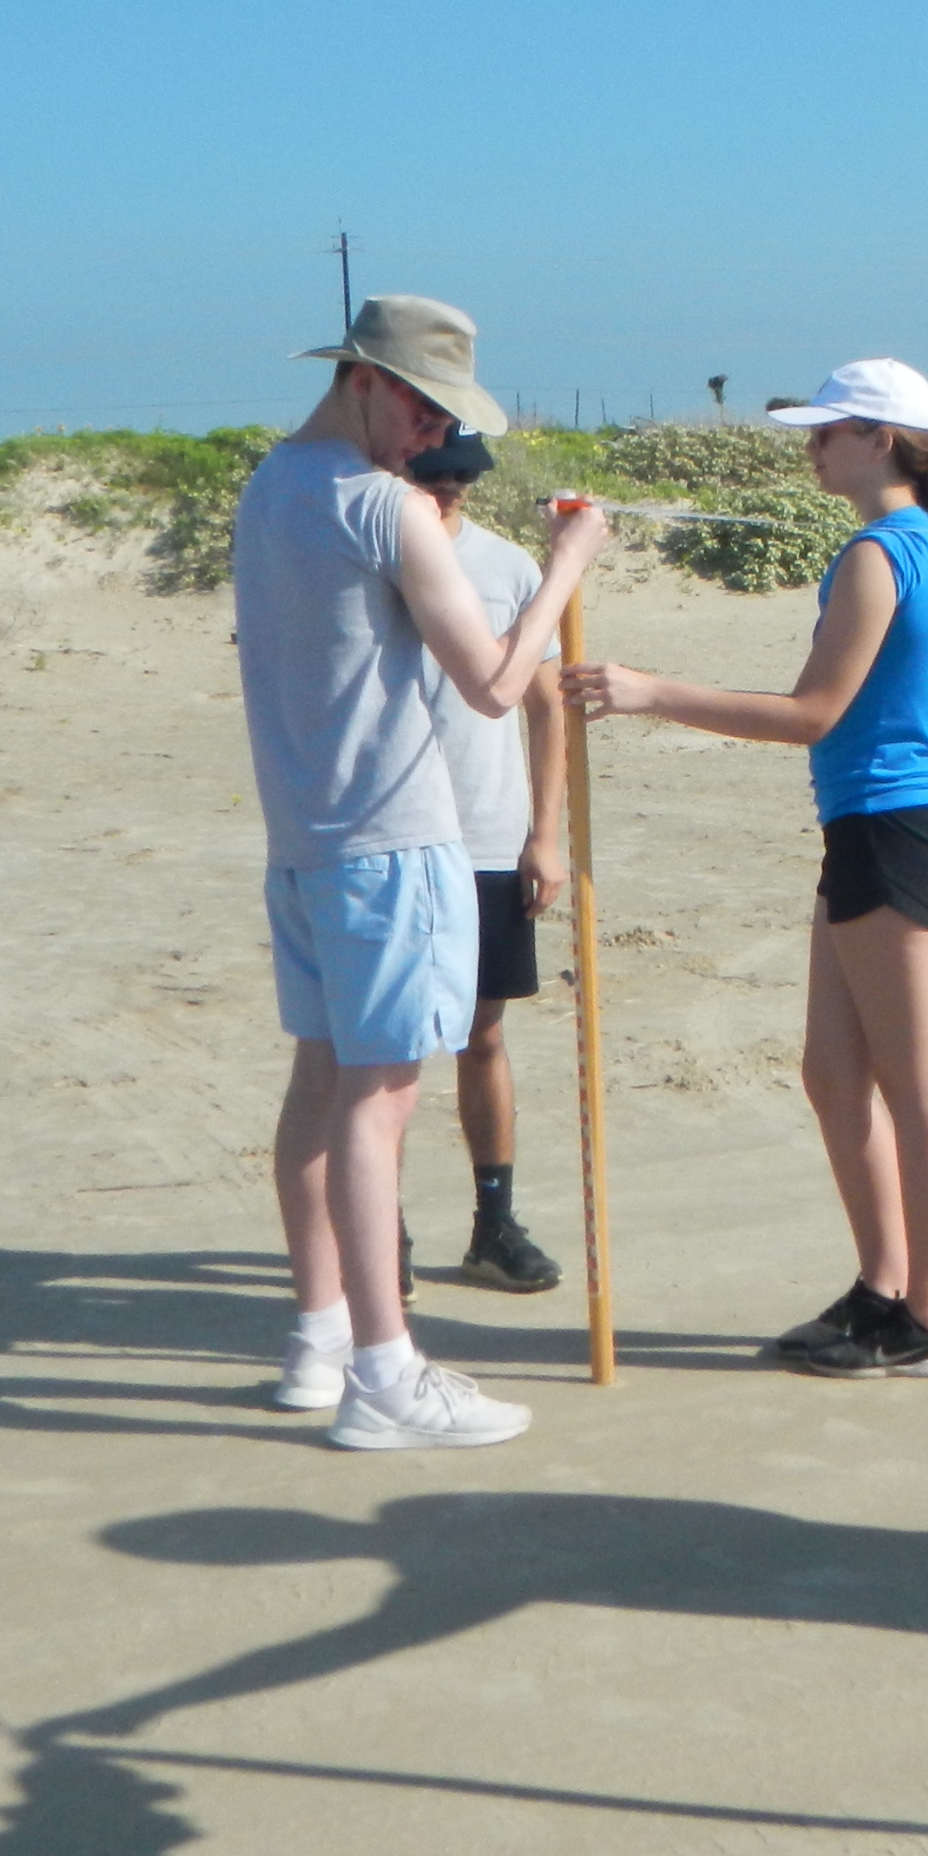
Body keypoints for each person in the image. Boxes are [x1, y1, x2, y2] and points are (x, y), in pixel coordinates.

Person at [234, 296, 609, 1450]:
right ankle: (385, 1373)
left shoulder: (268, 488)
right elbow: (498, 683)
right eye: (425, 404)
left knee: (323, 1082)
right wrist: (567, 563)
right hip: (389, 843)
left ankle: (321, 1338)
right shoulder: (378, 504)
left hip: (304, 844)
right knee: (378, 1099)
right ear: (365, 381)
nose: (435, 433)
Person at [568, 359, 928, 1380]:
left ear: (879, 439)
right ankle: (881, 1286)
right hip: (871, 829)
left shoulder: (883, 554)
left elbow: (812, 715)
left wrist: (648, 690)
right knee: (833, 1072)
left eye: (828, 430)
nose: (812, 446)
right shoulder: (908, 545)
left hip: (897, 828)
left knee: (917, 1087)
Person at [404, 427, 571, 1295]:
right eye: (429, 481)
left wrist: (545, 833)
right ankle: (379, 1228)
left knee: (485, 1032)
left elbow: (544, 706)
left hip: (489, 835)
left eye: (457, 486)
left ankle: (493, 1223)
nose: (443, 497)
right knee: (384, 1045)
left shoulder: (505, 568)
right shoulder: (369, 554)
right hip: (394, 836)